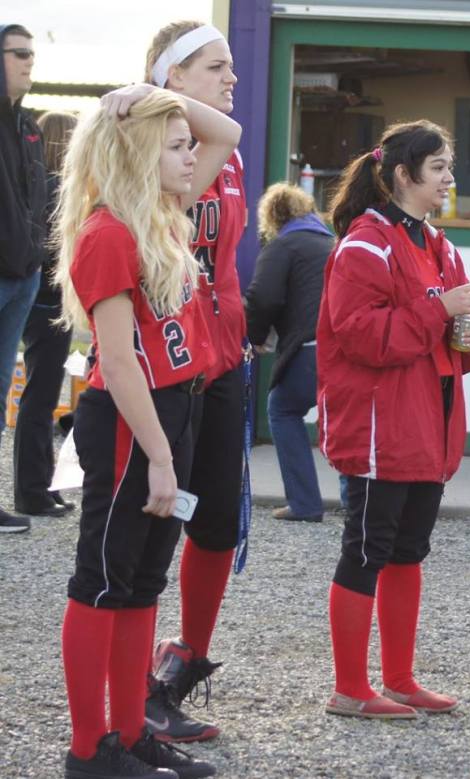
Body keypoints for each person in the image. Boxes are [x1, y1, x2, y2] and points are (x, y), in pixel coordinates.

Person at [56, 86, 240, 778]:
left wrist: (161, 99)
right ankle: (88, 750)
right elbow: (118, 358)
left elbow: (229, 129)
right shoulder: (109, 232)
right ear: (137, 156)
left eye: (187, 145)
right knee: (102, 581)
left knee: (142, 582)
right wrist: (161, 456)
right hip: (135, 423)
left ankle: (131, 733)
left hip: (177, 409)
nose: (194, 154)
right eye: (175, 146)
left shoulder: (164, 211)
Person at [101, 20, 247, 743]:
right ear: (173, 75)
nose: (231, 77)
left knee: (218, 518)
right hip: (170, 360)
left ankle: (181, 662)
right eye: (216, 67)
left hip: (225, 352)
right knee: (156, 526)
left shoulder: (224, 152)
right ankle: (136, 695)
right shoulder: (147, 142)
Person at [316, 119, 470, 719]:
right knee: (366, 550)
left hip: (425, 426)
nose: (449, 178)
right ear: (401, 175)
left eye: (449, 166)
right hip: (378, 429)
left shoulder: (438, 244)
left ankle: (399, 679)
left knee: (409, 551)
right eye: (438, 167)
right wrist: (439, 309)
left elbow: (455, 349)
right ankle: (349, 688)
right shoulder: (366, 243)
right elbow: (361, 337)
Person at [244, 182, 333, 522]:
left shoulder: (282, 245)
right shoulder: (331, 243)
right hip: (345, 350)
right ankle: (358, 506)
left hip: (311, 348)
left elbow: (263, 297)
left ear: (273, 217)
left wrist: (254, 338)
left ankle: (305, 503)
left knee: (281, 409)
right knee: (340, 422)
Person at [13, 110, 77, 518]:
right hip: (51, 304)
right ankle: (32, 491)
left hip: (42, 301)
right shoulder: (61, 192)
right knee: (40, 397)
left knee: (39, 396)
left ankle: (40, 485)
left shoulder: (39, 187)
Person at [0, 23, 46, 533]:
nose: (28, 62)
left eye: (31, 54)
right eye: (18, 54)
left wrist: (34, 259)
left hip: (23, 278)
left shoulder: (28, 126)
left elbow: (37, 201)